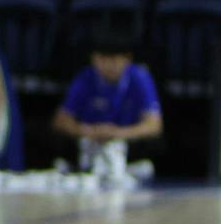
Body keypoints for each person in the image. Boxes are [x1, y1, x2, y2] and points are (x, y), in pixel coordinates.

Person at [54, 31, 163, 183]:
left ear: (127, 59)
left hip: (126, 146)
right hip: (90, 145)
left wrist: (117, 133)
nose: (107, 65)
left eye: (113, 59)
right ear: (93, 58)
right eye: (102, 58)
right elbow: (61, 121)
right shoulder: (85, 78)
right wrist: (88, 131)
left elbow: (154, 125)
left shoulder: (140, 77)